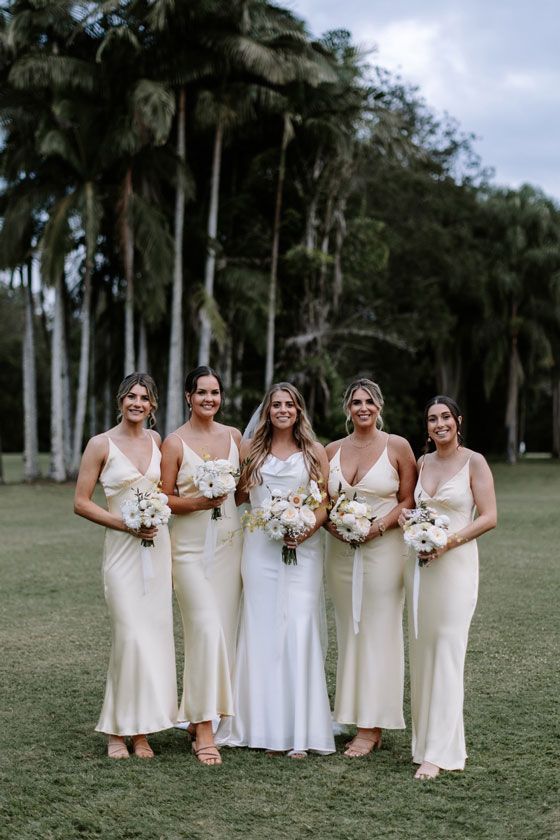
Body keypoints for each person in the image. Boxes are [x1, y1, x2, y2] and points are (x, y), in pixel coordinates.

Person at [222, 382, 335, 758]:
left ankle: (299, 732)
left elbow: (324, 502)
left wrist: (304, 529)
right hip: (260, 551)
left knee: (298, 626)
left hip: (303, 551)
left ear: (299, 410)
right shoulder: (250, 449)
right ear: (267, 411)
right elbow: (237, 496)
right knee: (263, 630)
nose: (283, 410)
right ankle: (263, 728)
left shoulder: (314, 452)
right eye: (276, 405)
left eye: (289, 404)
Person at [74, 373, 178, 759]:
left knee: (153, 638)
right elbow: (81, 502)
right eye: (131, 396)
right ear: (120, 401)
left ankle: (142, 732)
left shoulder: (156, 442)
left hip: (157, 547)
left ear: (152, 406)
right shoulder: (100, 444)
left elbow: (167, 494)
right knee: (129, 636)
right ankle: (117, 730)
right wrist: (127, 524)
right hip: (122, 549)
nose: (137, 402)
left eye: (145, 397)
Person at [400, 395, 497, 780]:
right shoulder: (422, 463)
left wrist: (449, 541)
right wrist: (414, 523)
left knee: (446, 652)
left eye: (445, 417)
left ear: (458, 421)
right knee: (423, 652)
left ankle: (440, 751)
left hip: (455, 567)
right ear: (427, 427)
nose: (439, 424)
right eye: (431, 419)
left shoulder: (475, 462)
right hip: (420, 566)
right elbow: (412, 507)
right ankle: (424, 743)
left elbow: (490, 517)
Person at [325, 378, 416, 757]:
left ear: (379, 406)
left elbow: (409, 497)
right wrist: (336, 527)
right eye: (356, 402)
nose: (363, 408)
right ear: (347, 408)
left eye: (369, 402)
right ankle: (351, 714)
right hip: (341, 554)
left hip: (384, 550)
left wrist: (378, 527)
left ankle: (371, 727)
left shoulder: (397, 446)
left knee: (378, 632)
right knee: (350, 634)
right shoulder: (330, 449)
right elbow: (321, 502)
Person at [160, 366, 242, 766]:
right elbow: (163, 498)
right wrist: (199, 502)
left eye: (215, 392)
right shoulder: (174, 443)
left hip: (230, 545)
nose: (209, 399)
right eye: (201, 392)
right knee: (205, 630)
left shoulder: (235, 437)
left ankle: (201, 716)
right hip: (189, 550)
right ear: (188, 397)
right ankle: (205, 727)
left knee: (222, 633)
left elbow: (242, 492)